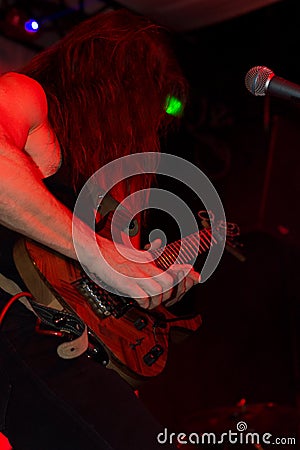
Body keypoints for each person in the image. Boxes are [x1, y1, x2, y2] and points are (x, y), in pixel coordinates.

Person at [0, 8, 201, 450]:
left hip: (63, 341)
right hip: (13, 316)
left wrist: (152, 279)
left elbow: (105, 282)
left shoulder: (111, 188)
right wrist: (104, 256)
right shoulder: (29, 95)